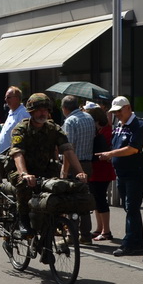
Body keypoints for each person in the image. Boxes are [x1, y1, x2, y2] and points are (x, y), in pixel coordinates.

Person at [8, 93, 86, 237]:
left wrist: (80, 172)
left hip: (46, 170)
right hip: (23, 170)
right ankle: (23, 219)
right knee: (23, 185)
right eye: (39, 110)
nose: (42, 113)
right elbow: (17, 153)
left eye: (45, 110)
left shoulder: (53, 128)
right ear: (31, 111)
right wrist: (24, 174)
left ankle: (54, 220)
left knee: (59, 187)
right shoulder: (21, 129)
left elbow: (68, 150)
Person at [96, 96, 143, 256]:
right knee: (129, 208)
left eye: (119, 111)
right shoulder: (120, 125)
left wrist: (110, 154)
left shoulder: (139, 125)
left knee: (131, 208)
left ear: (128, 108)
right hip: (122, 173)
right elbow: (115, 145)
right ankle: (136, 242)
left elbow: (133, 149)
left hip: (135, 173)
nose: (117, 114)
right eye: (114, 112)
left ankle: (130, 243)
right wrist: (110, 155)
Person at [61, 95, 96, 243]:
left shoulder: (70, 121)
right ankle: (86, 235)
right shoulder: (89, 117)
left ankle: (72, 235)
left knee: (72, 202)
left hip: (74, 165)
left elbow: (69, 149)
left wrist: (64, 170)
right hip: (88, 163)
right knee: (84, 200)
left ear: (65, 108)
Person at [85, 105, 115, 241]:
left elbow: (106, 148)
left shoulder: (107, 130)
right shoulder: (100, 129)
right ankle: (99, 228)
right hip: (96, 168)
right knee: (96, 199)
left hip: (102, 169)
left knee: (101, 199)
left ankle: (106, 231)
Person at [0, 87, 29, 156]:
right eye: (5, 97)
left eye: (8, 97)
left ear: (17, 98)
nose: (6, 99)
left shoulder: (23, 113)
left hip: (12, 156)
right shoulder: (11, 113)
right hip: (2, 157)